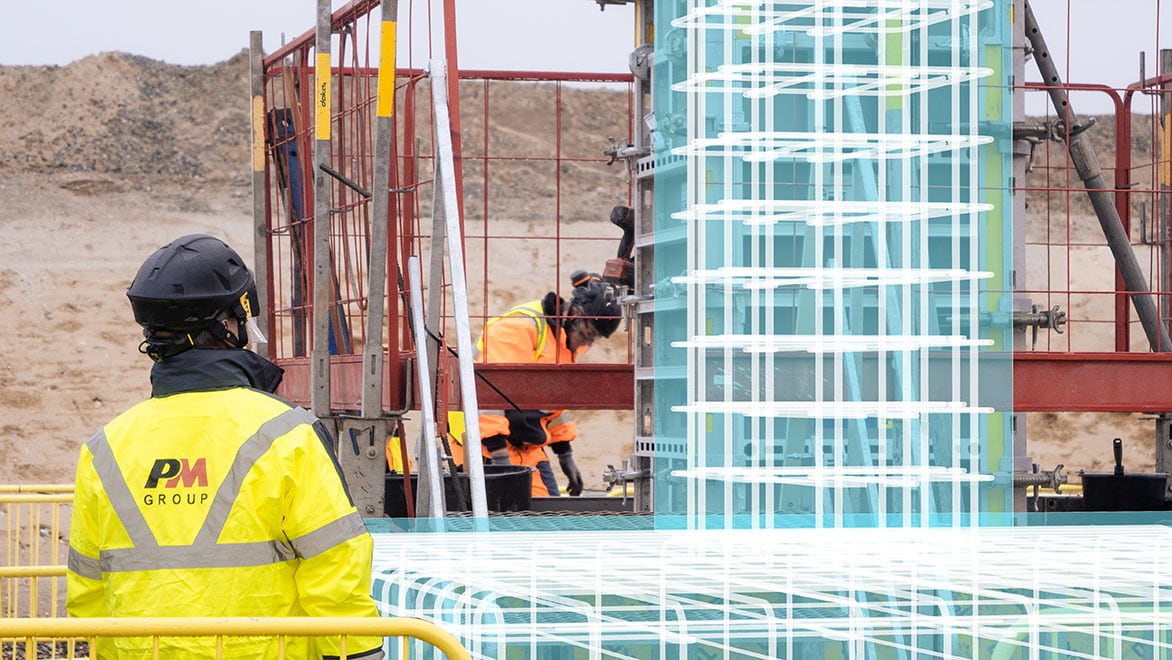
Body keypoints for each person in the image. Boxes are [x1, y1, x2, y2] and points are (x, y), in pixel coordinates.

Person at [66, 234, 385, 659]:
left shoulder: (104, 447)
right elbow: (335, 570)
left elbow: (89, 593)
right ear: (229, 324)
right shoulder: (287, 434)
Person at [470, 270, 622, 497]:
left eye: (595, 339)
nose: (587, 343)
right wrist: (500, 458)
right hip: (483, 448)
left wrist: (564, 453)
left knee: (549, 519)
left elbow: (553, 405)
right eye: (588, 333)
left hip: (526, 449)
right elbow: (488, 394)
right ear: (575, 314)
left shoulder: (563, 341)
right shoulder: (521, 327)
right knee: (504, 526)